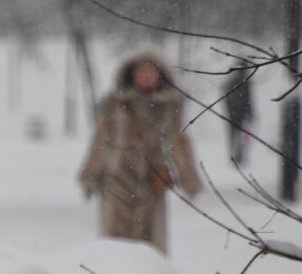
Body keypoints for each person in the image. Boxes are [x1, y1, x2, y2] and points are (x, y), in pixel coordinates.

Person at [79, 47, 202, 254]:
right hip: (117, 179)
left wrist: (188, 176)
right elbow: (101, 140)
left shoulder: (168, 106)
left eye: (150, 72)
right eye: (140, 72)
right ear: (131, 74)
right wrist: (90, 174)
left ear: (159, 75)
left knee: (149, 245)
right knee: (114, 243)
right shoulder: (116, 104)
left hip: (152, 180)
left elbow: (178, 141)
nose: (145, 77)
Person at [221, 62, 255, 168]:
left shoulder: (233, 81)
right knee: (241, 137)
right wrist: (250, 112)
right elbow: (249, 99)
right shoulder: (243, 81)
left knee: (236, 136)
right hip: (239, 113)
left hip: (235, 113)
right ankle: (238, 157)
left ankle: (236, 156)